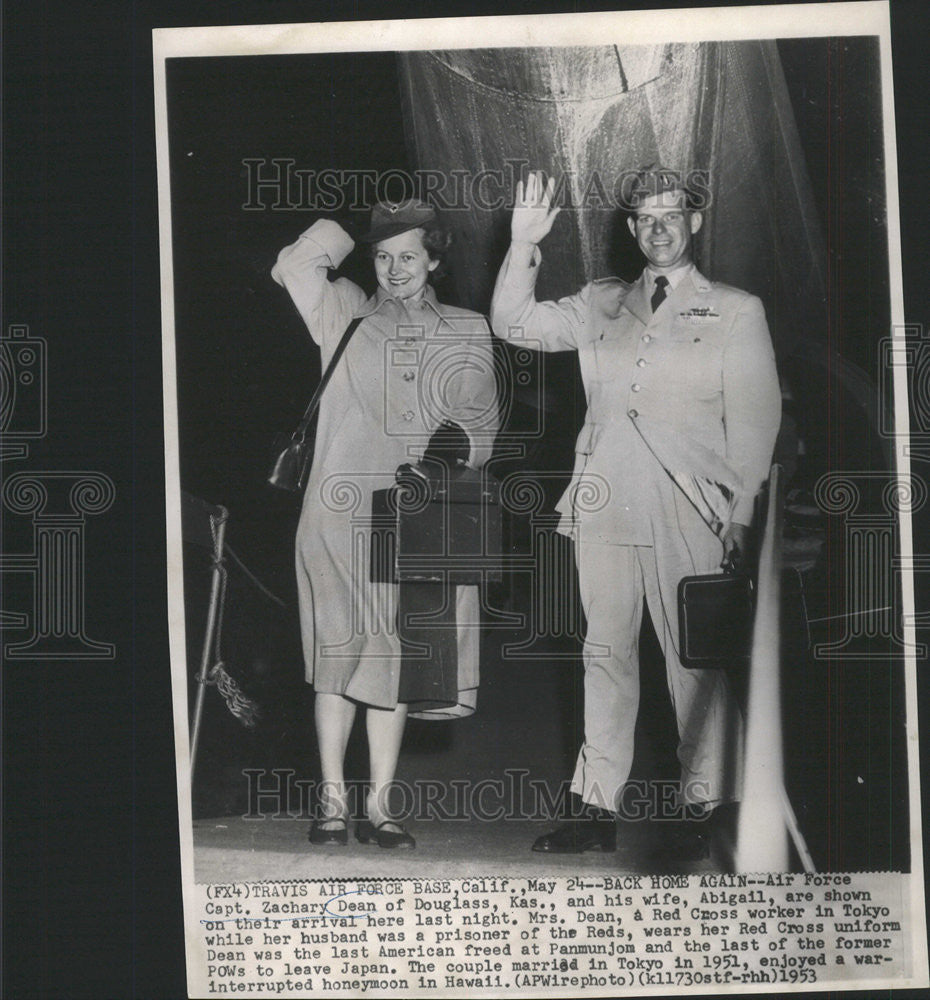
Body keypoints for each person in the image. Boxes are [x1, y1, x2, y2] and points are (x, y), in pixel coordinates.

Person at [490, 168, 781, 853]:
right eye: (645, 218)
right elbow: (513, 325)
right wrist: (522, 245)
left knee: (695, 660)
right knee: (604, 656)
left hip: (691, 505)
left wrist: (740, 516)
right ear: (630, 229)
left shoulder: (736, 308)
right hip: (605, 500)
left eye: (671, 215)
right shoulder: (602, 301)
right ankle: (594, 809)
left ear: (695, 222)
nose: (659, 228)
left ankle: (715, 803)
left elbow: (757, 422)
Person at [272, 199, 497, 849]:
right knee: (335, 655)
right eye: (383, 255)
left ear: (434, 261)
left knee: (394, 659)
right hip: (334, 514)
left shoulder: (466, 327)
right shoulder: (343, 310)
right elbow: (293, 264)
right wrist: (352, 223)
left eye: (409, 255)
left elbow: (480, 420)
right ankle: (333, 801)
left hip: (413, 514)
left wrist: (444, 458)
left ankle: (381, 806)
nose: (395, 269)